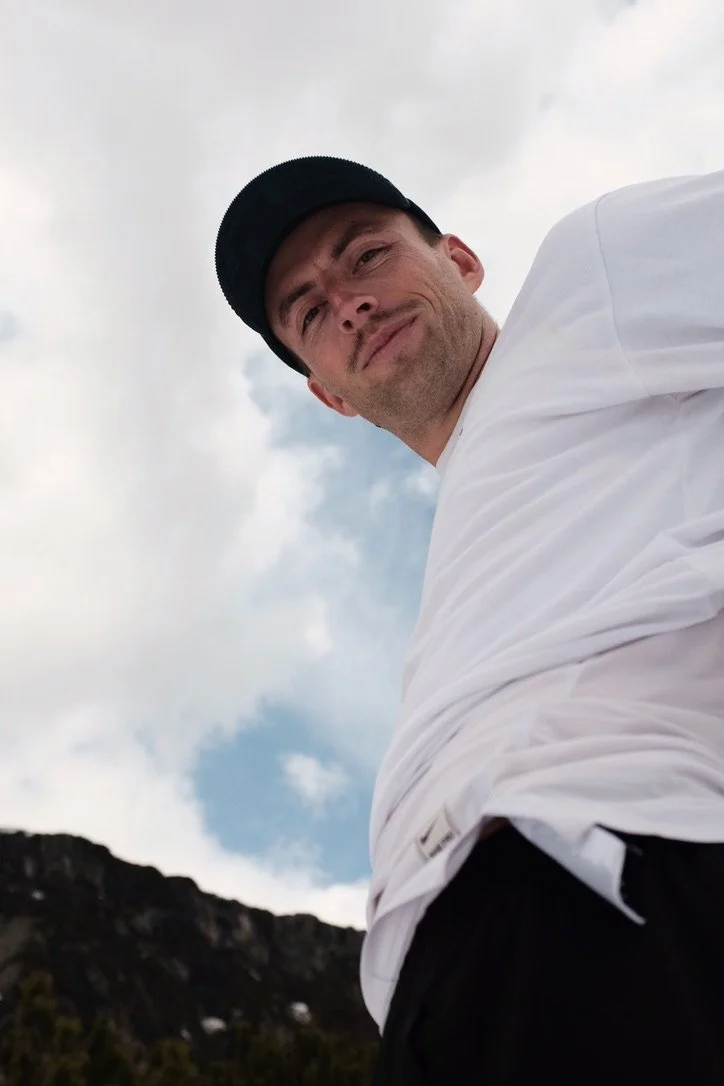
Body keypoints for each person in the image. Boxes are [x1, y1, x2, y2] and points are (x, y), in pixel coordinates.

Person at [215, 157, 724, 1084]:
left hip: (610, 877)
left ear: (460, 258)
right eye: (309, 312)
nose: (349, 303)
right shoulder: (477, 538)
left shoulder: (590, 282)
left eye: (365, 255)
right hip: (437, 988)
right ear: (329, 392)